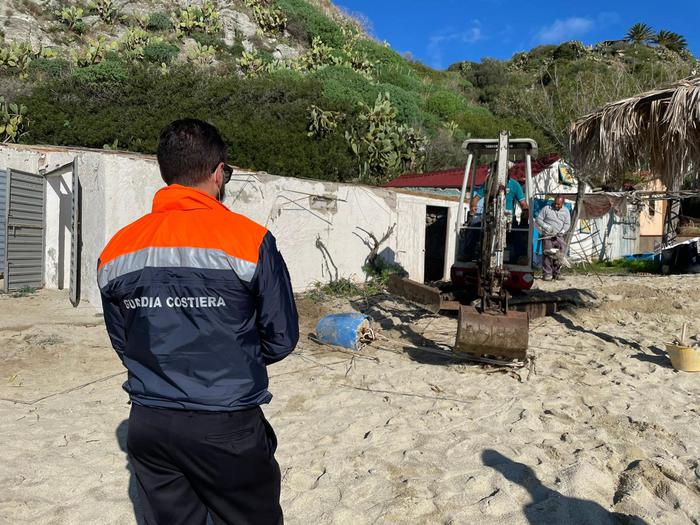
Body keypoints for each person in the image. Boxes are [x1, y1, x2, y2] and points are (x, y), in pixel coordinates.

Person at [97, 118, 299, 525]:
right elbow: (281, 337)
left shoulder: (117, 249)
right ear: (218, 170)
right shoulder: (249, 240)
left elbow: (125, 340)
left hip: (149, 423)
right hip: (227, 423)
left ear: (164, 173)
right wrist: (228, 356)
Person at [535, 195, 571, 281]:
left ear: (563, 203)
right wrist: (546, 227)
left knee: (559, 255)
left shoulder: (566, 211)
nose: (556, 205)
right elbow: (538, 220)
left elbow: (567, 224)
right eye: (555, 203)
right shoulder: (547, 209)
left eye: (558, 204)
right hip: (548, 235)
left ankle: (557, 273)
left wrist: (562, 231)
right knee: (547, 254)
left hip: (559, 236)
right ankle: (547, 274)